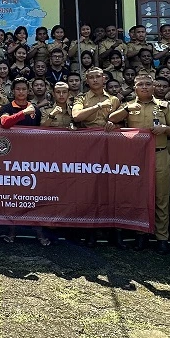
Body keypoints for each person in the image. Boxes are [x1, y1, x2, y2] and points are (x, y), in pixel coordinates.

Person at [122, 74, 170, 254]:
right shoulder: (129, 107)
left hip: (160, 154)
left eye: (148, 84)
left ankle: (162, 237)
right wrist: (110, 121)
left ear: (154, 87)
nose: (145, 87)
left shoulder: (164, 106)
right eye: (141, 84)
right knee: (140, 197)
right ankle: (141, 234)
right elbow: (114, 121)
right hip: (137, 158)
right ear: (134, 87)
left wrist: (164, 129)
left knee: (161, 197)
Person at [72, 67, 124, 247]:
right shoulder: (81, 98)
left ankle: (114, 230)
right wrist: (97, 106)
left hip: (111, 148)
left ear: (104, 79)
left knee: (112, 187)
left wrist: (115, 125)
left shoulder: (114, 99)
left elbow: (123, 123)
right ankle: (90, 231)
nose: (95, 80)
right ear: (87, 81)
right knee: (90, 189)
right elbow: (77, 116)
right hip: (89, 148)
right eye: (91, 78)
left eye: (98, 77)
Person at [0, 77, 49, 246]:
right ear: (13, 91)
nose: (21, 92)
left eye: (24, 89)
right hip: (11, 158)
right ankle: (12, 233)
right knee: (13, 195)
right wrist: (22, 114)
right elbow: (5, 123)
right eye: (18, 89)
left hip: (31, 158)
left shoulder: (35, 110)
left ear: (29, 92)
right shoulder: (6, 107)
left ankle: (39, 233)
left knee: (34, 195)